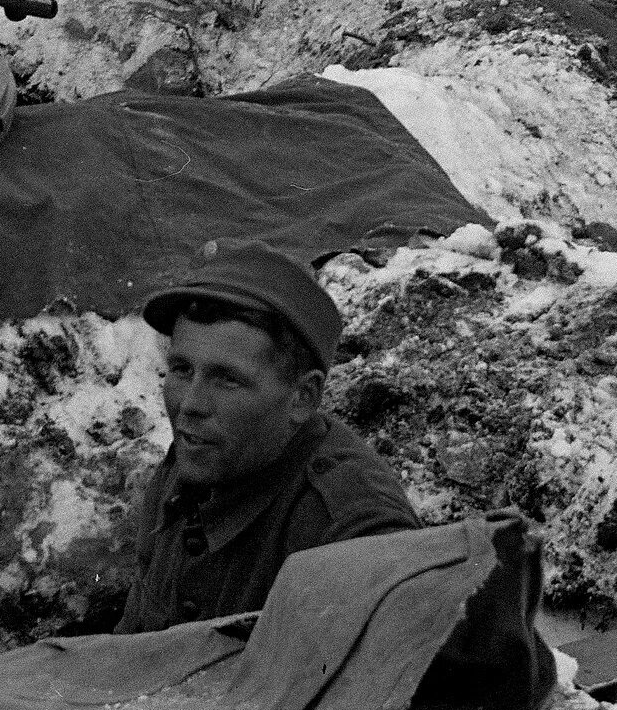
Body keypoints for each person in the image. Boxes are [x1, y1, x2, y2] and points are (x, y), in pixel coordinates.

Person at [114, 241, 417, 634]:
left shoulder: (345, 525)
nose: (190, 404)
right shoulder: (190, 467)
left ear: (302, 397)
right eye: (182, 369)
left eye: (227, 379)